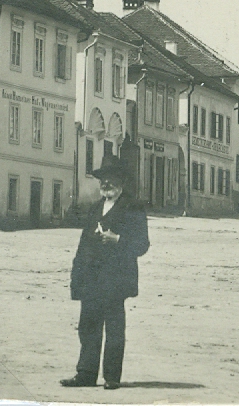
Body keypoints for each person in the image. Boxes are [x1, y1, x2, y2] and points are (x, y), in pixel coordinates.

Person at [61, 156, 149, 391]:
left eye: (111, 179)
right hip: (91, 279)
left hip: (115, 280)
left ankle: (112, 377)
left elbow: (142, 245)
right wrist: (76, 277)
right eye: (103, 179)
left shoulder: (133, 207)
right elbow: (83, 245)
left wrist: (117, 239)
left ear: (121, 181)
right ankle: (86, 374)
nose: (106, 183)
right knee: (88, 326)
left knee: (114, 329)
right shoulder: (95, 208)